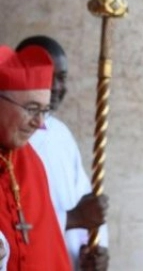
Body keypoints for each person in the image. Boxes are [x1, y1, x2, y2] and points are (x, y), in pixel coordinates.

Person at [15, 36, 110, 271]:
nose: (57, 86)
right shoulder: (11, 137)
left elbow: (85, 203)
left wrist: (92, 250)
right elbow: (11, 224)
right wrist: (73, 218)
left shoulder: (60, 134)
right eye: (49, 76)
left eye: (62, 77)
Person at [0, 45, 71, 270]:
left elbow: (51, 251)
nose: (39, 123)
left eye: (44, 111)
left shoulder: (31, 163)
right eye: (32, 109)